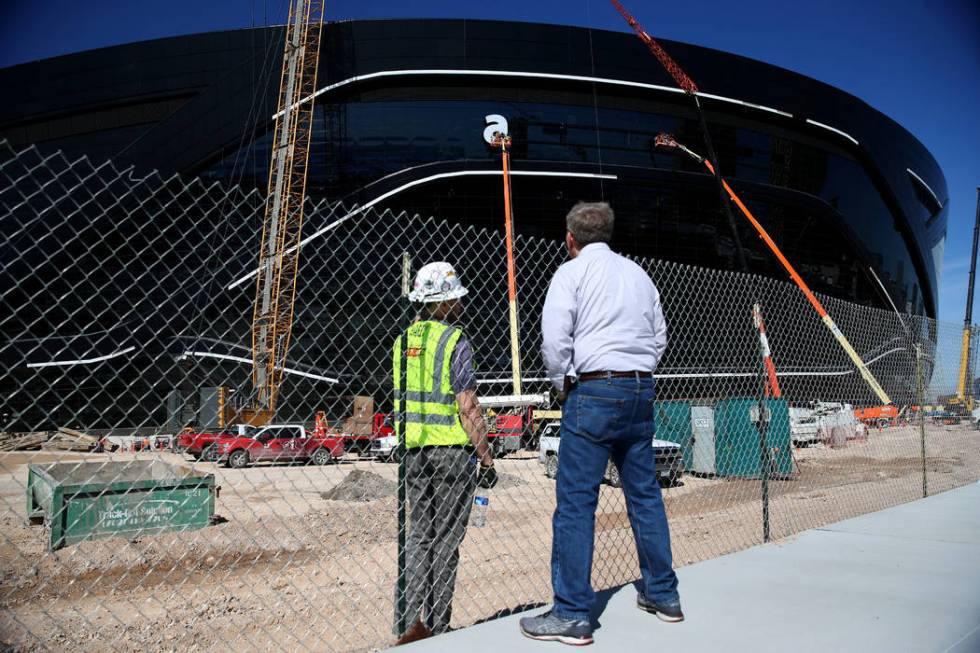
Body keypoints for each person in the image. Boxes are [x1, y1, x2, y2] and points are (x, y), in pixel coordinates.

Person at [520, 202, 681, 646]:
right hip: (639, 390)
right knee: (645, 495)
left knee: (576, 504)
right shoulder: (639, 275)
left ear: (570, 239)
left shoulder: (569, 274)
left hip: (592, 390)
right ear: (610, 234)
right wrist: (639, 370)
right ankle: (663, 594)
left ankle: (572, 613)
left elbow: (555, 341)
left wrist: (565, 385)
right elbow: (660, 336)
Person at [393, 261, 498, 645]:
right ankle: (436, 627)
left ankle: (407, 623)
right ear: (445, 301)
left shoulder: (403, 341)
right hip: (452, 453)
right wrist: (486, 457)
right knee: (447, 541)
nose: (460, 303)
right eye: (455, 297)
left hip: (414, 451)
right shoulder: (455, 341)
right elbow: (468, 406)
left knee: (419, 537)